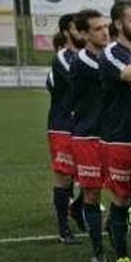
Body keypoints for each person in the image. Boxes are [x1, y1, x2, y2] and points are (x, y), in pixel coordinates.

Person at [101, 1, 131, 262]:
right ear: (119, 24)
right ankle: (122, 257)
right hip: (120, 139)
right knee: (122, 198)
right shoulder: (112, 53)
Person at [68, 10, 112, 262]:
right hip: (88, 136)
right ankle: (98, 250)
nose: (105, 32)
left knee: (124, 191)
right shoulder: (84, 61)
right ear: (83, 34)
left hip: (111, 136)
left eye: (106, 27)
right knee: (94, 193)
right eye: (97, 29)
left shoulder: (108, 56)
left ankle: (76, 206)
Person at [48, 14, 82, 244]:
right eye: (77, 28)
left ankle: (77, 209)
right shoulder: (63, 57)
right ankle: (63, 229)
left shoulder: (90, 56)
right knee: (64, 178)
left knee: (93, 177)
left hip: (85, 126)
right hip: (63, 127)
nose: (83, 32)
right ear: (67, 32)